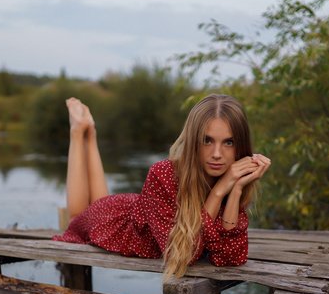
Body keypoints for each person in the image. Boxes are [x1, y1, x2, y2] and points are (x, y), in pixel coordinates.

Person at [53, 94, 271, 278]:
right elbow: (181, 257)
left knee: (97, 203)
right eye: (207, 140)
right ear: (193, 140)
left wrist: (236, 190)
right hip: (117, 223)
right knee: (76, 219)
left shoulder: (229, 177)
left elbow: (231, 257)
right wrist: (219, 191)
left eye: (228, 142)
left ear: (240, 147)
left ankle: (90, 133)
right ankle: (79, 131)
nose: (216, 154)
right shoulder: (163, 173)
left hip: (139, 209)